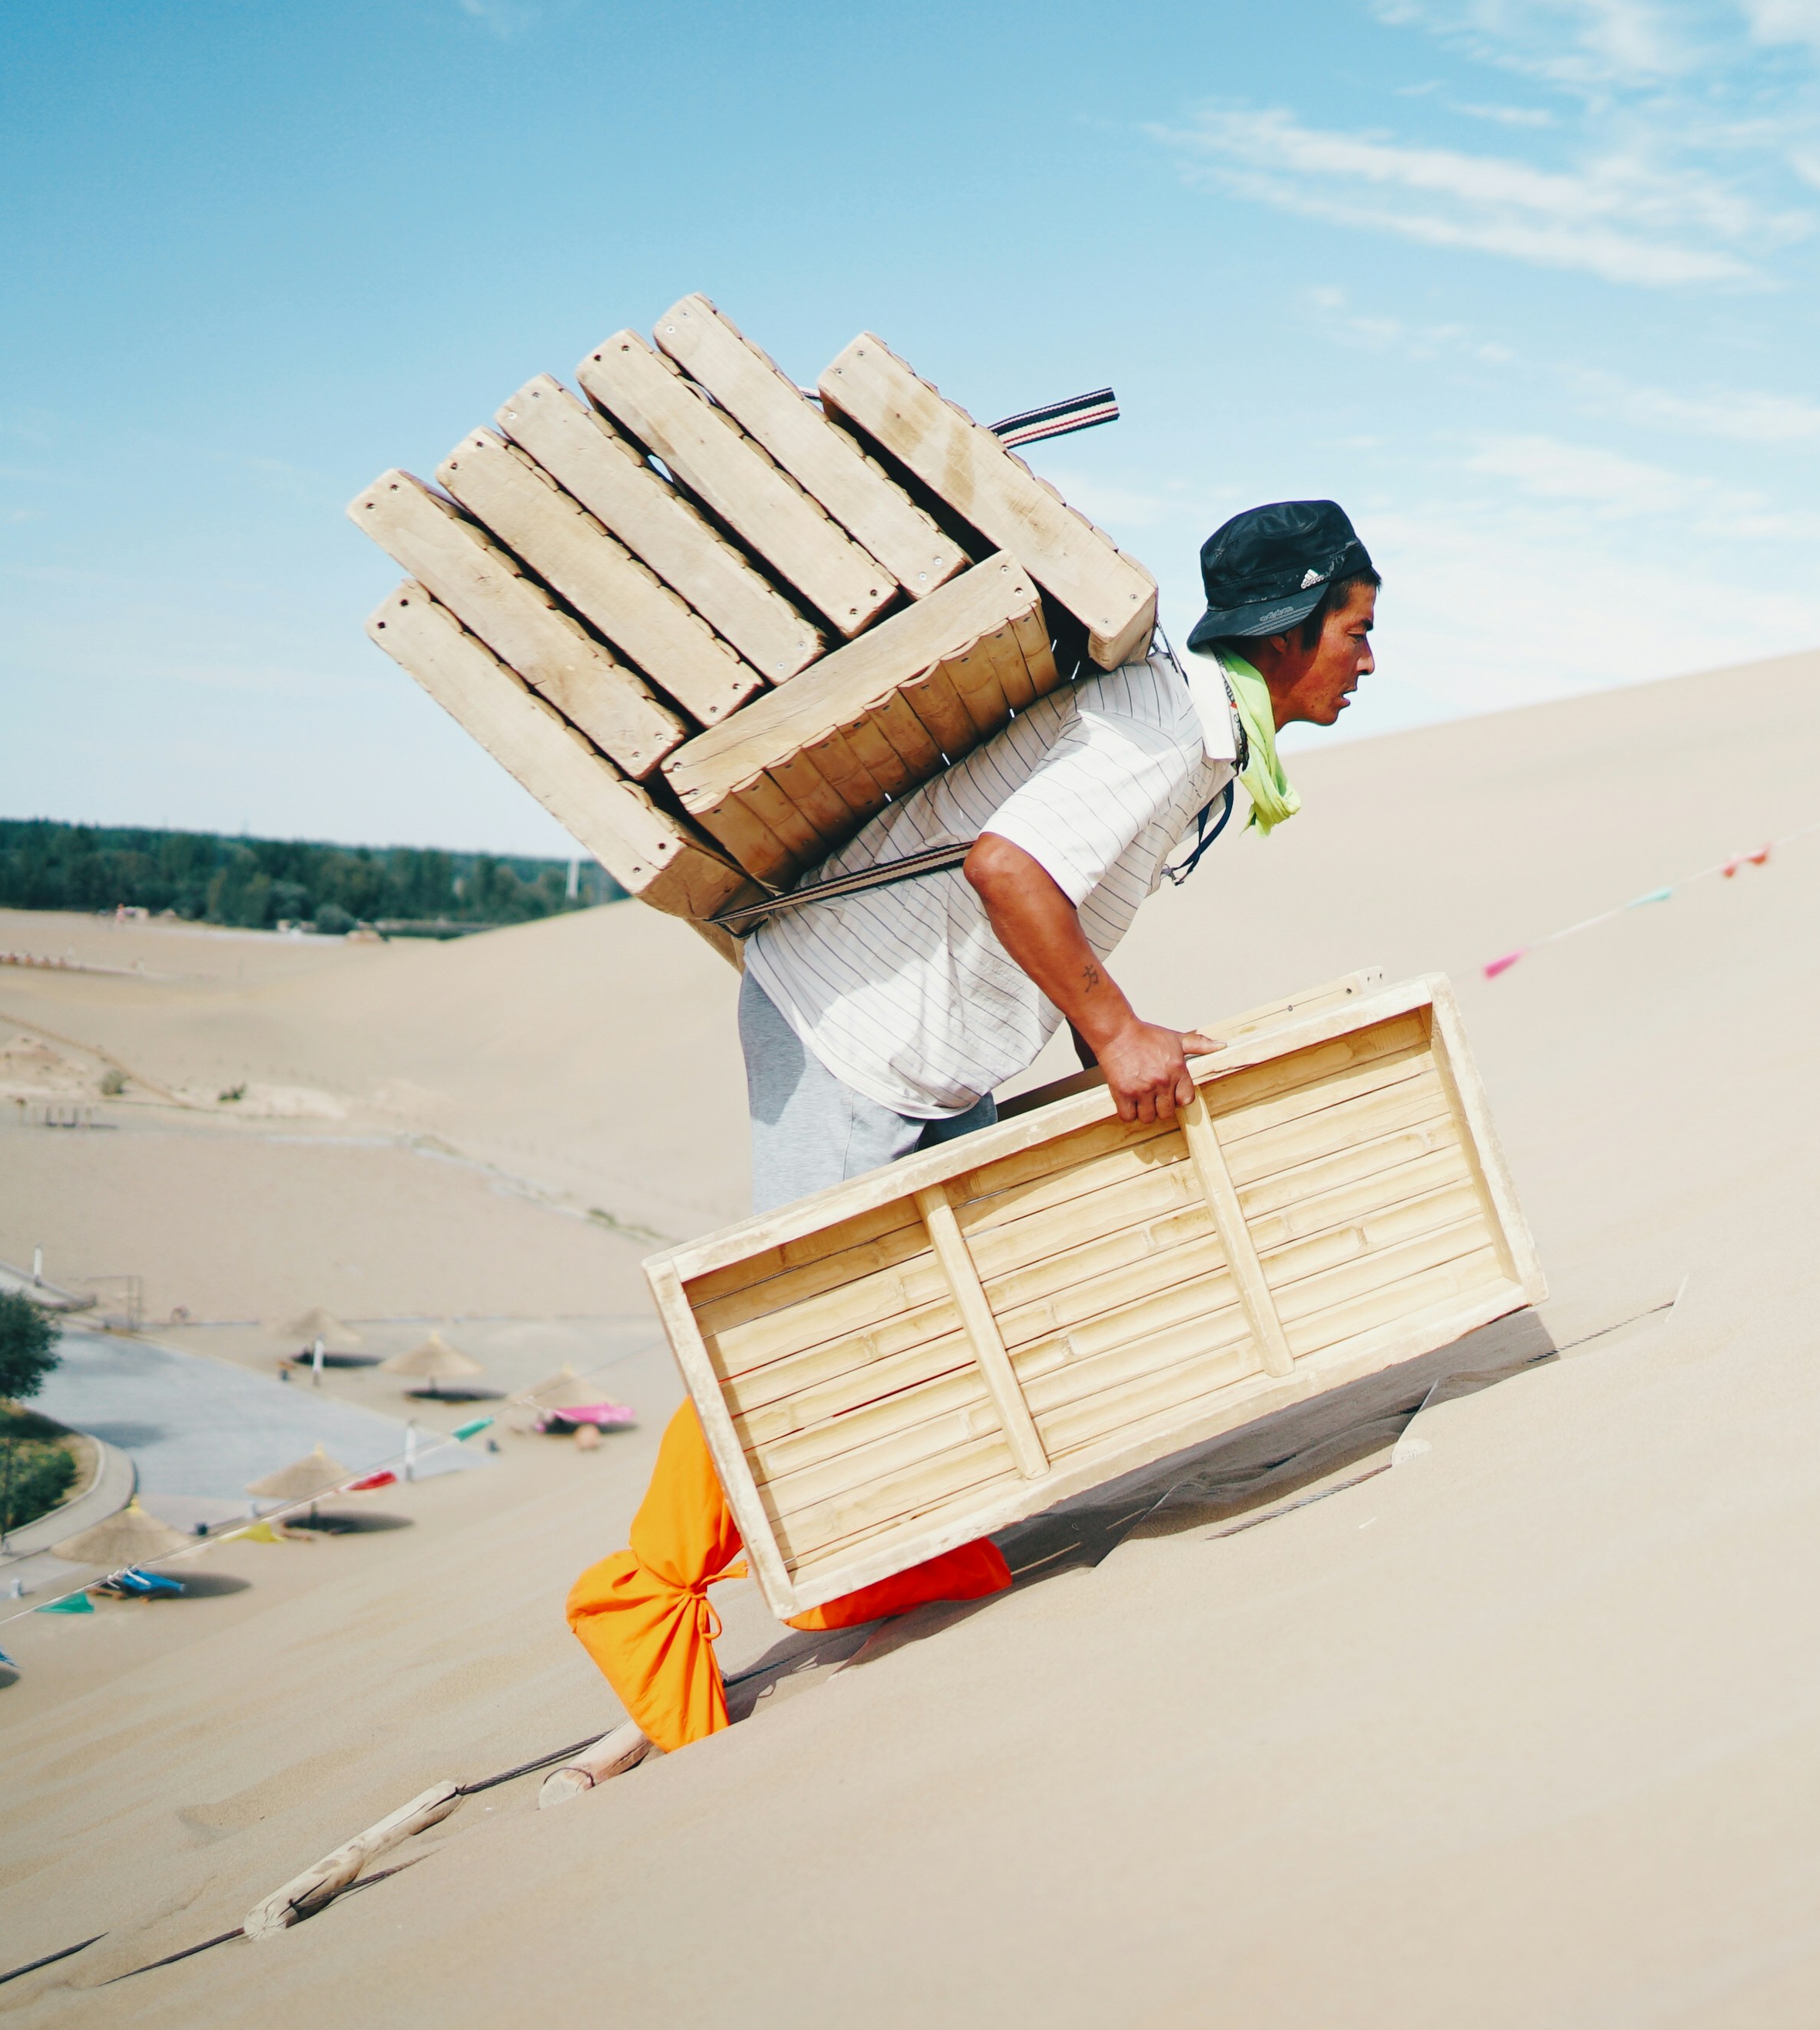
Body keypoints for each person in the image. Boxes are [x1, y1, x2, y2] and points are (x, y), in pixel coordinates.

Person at [560, 500, 1381, 1767]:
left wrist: (1116, 1022)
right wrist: (1114, 1036)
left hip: (923, 1035)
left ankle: (874, 1557)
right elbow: (1008, 869)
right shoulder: (1163, 731)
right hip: (857, 1026)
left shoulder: (1196, 735)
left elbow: (1050, 885)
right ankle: (640, 1596)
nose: (1370, 663)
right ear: (1286, 635)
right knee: (806, 1327)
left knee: (918, 1311)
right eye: (1356, 632)